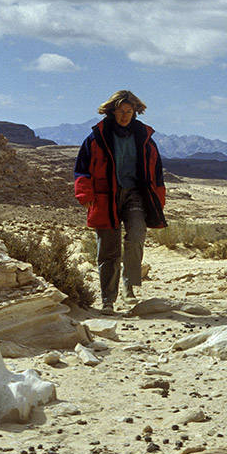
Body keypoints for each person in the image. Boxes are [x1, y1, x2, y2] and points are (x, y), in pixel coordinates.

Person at [74, 90, 166, 314]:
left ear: (135, 112)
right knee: (108, 249)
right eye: (120, 111)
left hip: (136, 193)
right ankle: (108, 299)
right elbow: (81, 168)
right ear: (112, 111)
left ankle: (129, 285)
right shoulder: (98, 136)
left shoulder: (144, 137)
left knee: (136, 235)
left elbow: (157, 170)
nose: (125, 116)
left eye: (129, 111)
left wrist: (158, 197)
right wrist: (85, 195)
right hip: (107, 196)